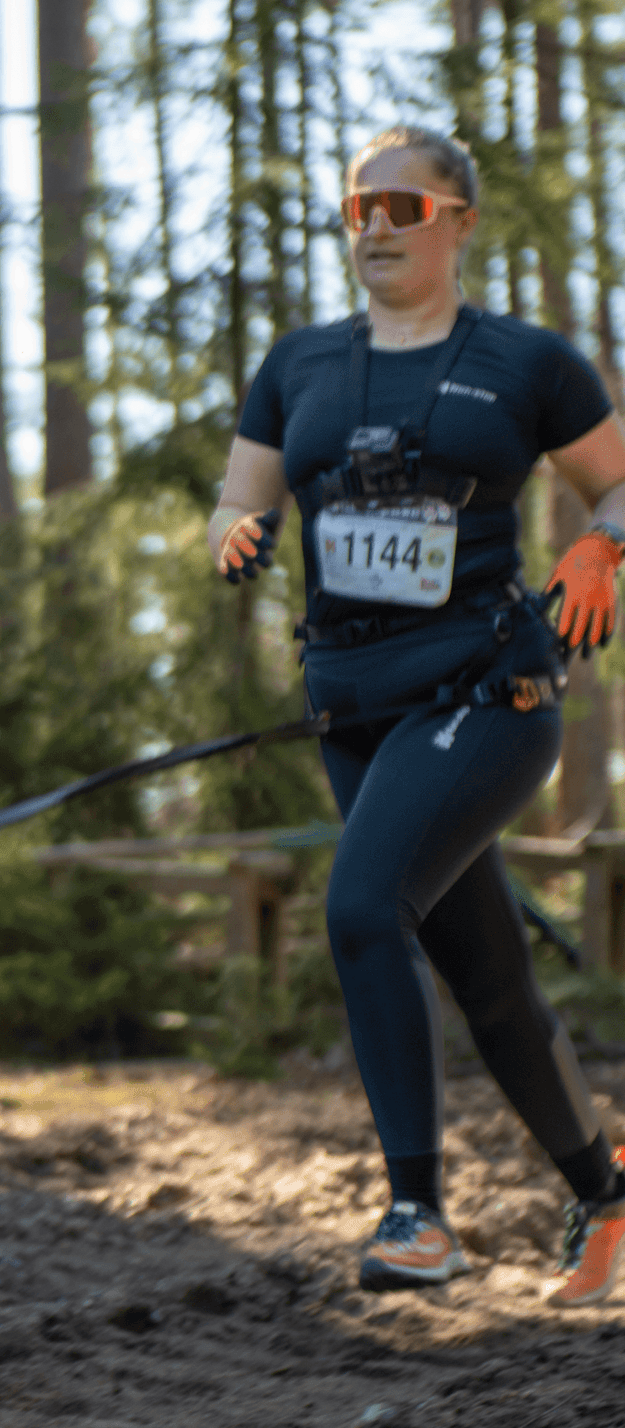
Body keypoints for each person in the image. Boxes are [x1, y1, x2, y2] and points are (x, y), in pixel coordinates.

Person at [207, 124, 625, 1305]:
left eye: (403, 206)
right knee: (485, 972)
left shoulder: (530, 361)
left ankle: (418, 1214)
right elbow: (241, 494)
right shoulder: (301, 364)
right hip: (351, 706)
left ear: (458, 221)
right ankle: (605, 1195)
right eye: (359, 208)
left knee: (359, 905)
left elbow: (618, 476)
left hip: (490, 693)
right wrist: (234, 534)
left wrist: (601, 541)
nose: (377, 227)